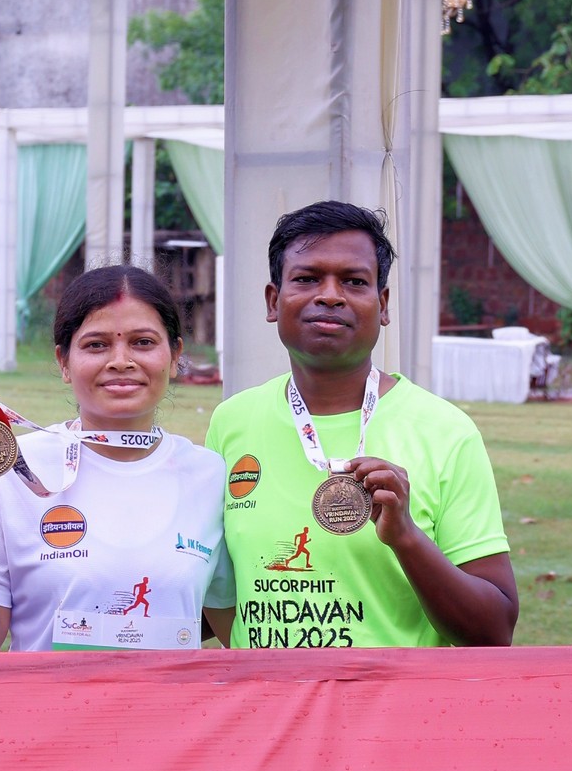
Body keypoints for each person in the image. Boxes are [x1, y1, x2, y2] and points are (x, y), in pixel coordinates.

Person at [206, 201, 517, 651]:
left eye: (354, 281)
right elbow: (216, 591)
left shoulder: (445, 430)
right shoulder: (232, 420)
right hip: (265, 695)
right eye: (307, 278)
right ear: (274, 301)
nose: (330, 296)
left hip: (391, 696)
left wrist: (406, 538)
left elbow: (493, 631)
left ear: (382, 305)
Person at [0, 265, 222, 651]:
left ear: (175, 357)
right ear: (63, 362)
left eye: (142, 342)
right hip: (45, 694)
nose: (120, 360)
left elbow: (228, 615)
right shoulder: (12, 469)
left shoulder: (210, 474)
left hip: (170, 695)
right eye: (96, 345)